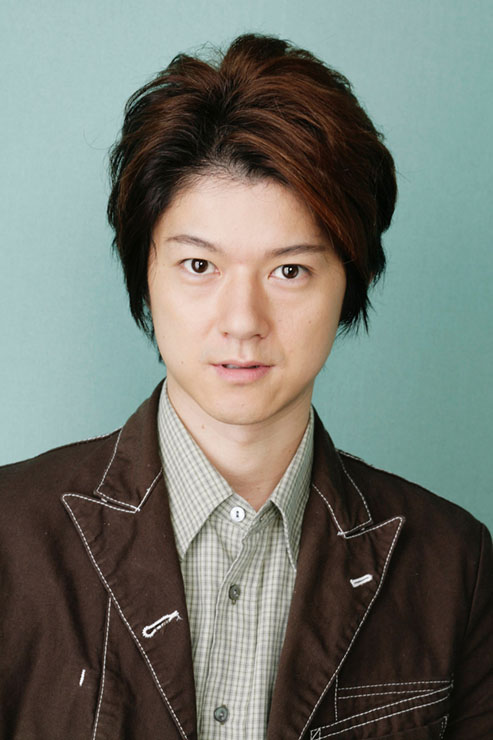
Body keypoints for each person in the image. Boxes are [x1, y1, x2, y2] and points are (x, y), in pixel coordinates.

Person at [0, 32, 491, 740]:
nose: (242, 322)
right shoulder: (11, 535)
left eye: (289, 270)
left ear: (347, 282)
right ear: (145, 274)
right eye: (199, 266)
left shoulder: (452, 565)